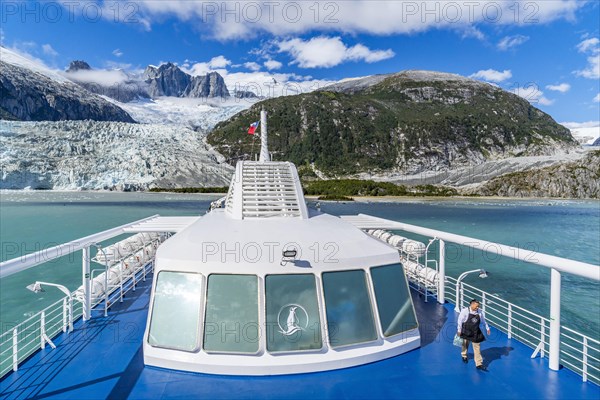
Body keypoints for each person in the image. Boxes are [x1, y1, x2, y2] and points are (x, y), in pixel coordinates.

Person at [457, 299, 490, 370]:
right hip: (466, 331)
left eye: (478, 306)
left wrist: (487, 328)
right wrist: (459, 330)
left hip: (475, 332)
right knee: (465, 344)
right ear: (472, 304)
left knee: (477, 347)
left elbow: (483, 321)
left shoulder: (479, 312)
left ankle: (479, 364)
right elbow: (460, 321)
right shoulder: (465, 311)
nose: (477, 308)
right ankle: (464, 355)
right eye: (476, 306)